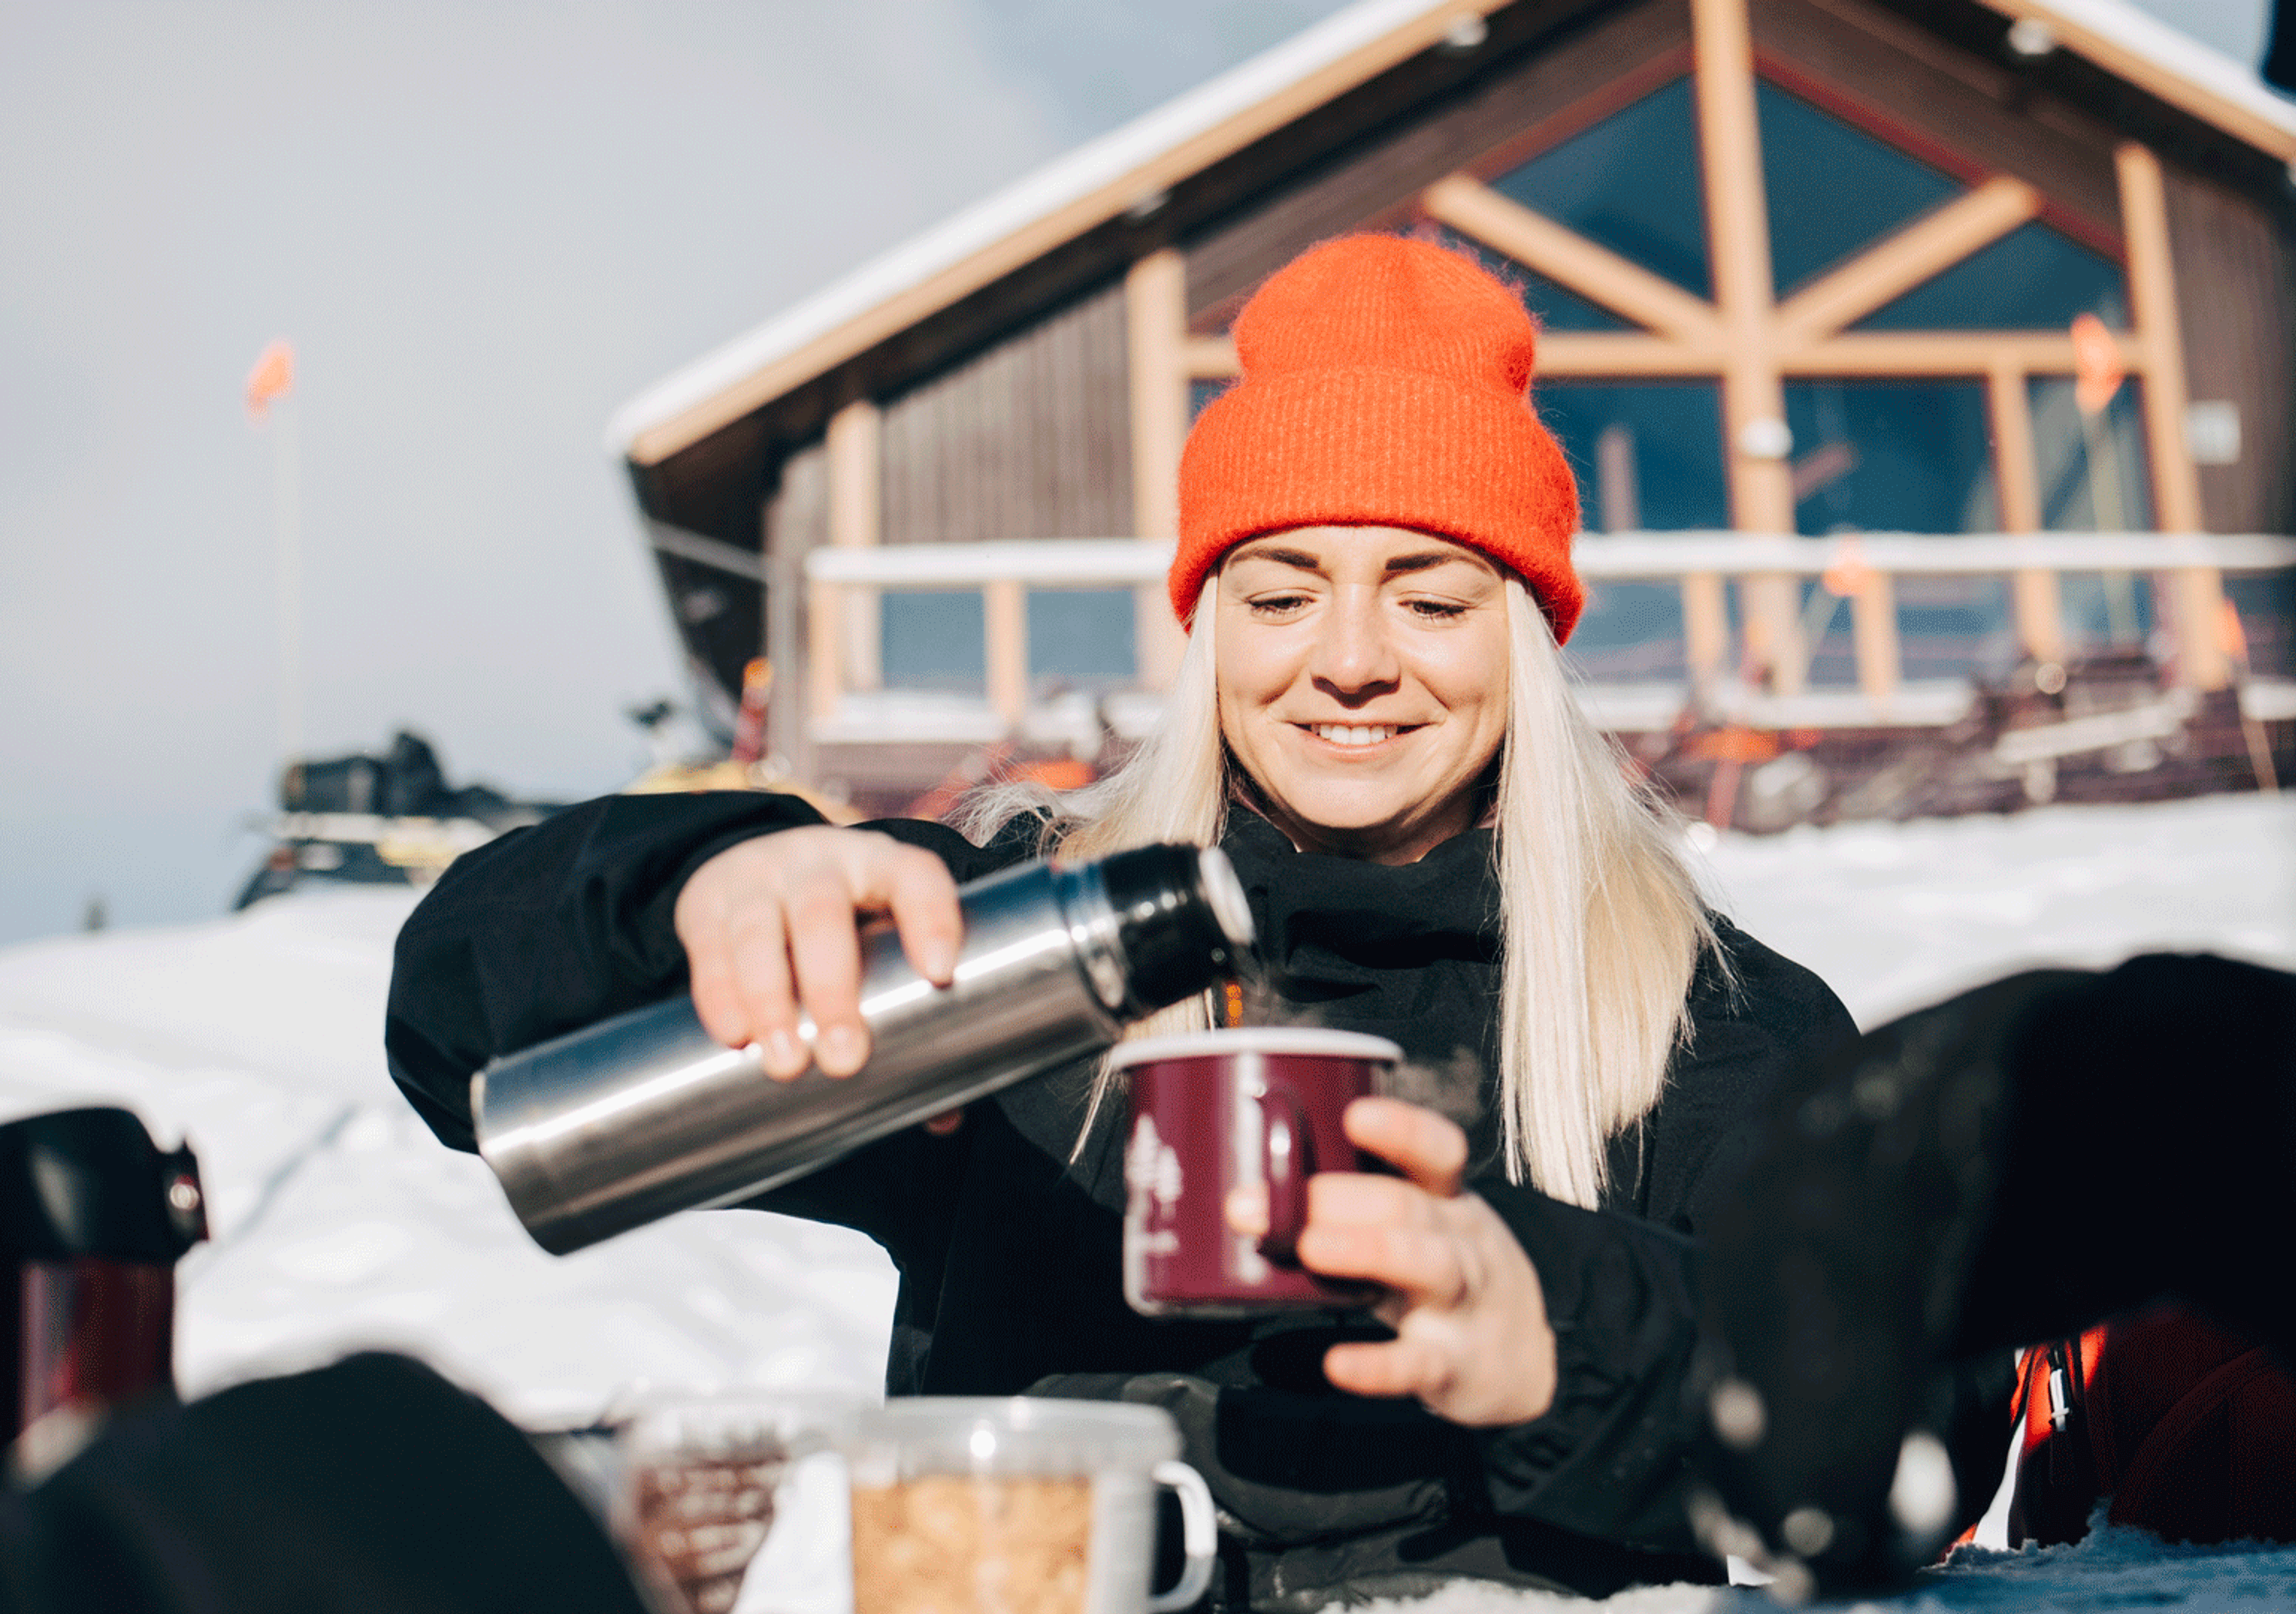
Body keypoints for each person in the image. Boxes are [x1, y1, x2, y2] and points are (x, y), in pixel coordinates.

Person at [384, 234, 1854, 1610]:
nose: (1348, 661)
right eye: (1281, 596)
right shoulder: (1017, 939)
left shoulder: (1692, 1011)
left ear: (1524, 638)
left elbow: (1907, 1411)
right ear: (1212, 633)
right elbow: (454, 1033)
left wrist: (1558, 1324)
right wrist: (698, 887)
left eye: (1431, 597)